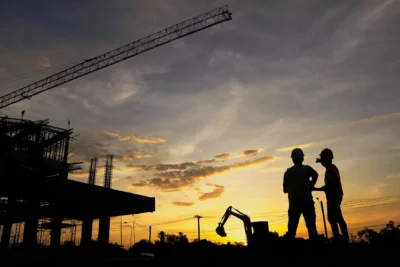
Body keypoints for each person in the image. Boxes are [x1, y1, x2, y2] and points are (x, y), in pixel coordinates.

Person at [314, 148, 349, 243]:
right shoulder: (332, 167)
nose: (321, 162)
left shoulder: (330, 171)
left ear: (326, 159)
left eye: (322, 159)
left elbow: (329, 187)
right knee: (336, 218)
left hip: (334, 198)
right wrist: (319, 160)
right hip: (335, 197)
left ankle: (341, 238)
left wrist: (315, 189)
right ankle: (342, 238)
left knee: (334, 218)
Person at [283, 148, 319, 240]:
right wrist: (311, 185)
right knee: (311, 228)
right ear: (302, 159)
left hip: (294, 204)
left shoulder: (288, 172)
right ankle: (316, 250)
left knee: (292, 230)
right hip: (307, 203)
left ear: (292, 159)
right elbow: (315, 175)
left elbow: (285, 190)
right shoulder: (307, 169)